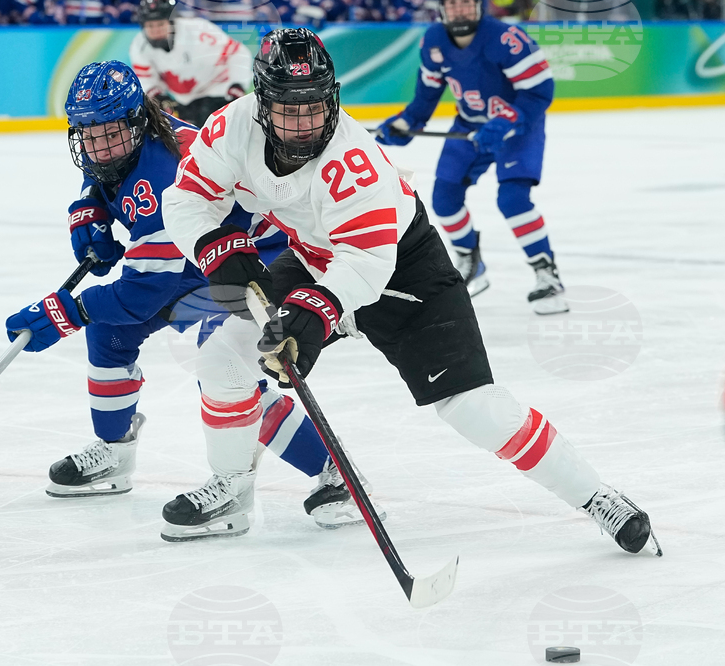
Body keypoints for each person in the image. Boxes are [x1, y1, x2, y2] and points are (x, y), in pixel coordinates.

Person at [162, 27, 661, 557]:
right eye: (290, 107)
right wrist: (216, 247)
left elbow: (368, 264)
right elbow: (187, 198)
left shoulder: (355, 162)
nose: (306, 122)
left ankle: (598, 498)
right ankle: (233, 489)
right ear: (261, 104)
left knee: (474, 409)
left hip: (403, 270)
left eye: (316, 105)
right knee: (223, 357)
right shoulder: (231, 128)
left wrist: (313, 314)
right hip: (314, 257)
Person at [4, 60, 378, 541]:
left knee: (224, 366)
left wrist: (65, 311)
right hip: (192, 262)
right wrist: (89, 213)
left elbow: (145, 291)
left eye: (110, 133)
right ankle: (114, 451)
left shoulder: (166, 170)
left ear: (137, 121)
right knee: (109, 331)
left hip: (251, 261)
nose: (99, 146)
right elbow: (102, 175)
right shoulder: (126, 144)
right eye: (88, 135)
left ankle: (332, 474)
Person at [375, 0, 567, 315]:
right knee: (444, 199)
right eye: (452, 4)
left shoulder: (507, 39)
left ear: (478, 6)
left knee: (513, 199)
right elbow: (426, 96)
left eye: (466, 3)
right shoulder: (434, 40)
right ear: (441, 9)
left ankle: (546, 271)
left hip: (519, 127)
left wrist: (507, 121)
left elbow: (539, 91)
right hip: (469, 127)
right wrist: (404, 123)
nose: (460, 11)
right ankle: (470, 262)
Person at [129, 0, 252, 128]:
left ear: (171, 22)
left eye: (160, 24)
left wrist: (237, 86)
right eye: (150, 26)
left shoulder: (198, 30)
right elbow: (147, 80)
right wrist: (159, 97)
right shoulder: (138, 46)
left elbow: (238, 53)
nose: (156, 30)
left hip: (218, 90)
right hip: (182, 101)